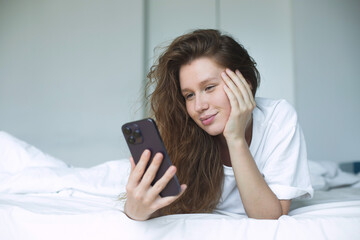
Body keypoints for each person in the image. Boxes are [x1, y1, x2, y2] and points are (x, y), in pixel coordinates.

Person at [123, 29, 313, 221]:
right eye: (189, 95)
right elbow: (167, 205)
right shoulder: (183, 131)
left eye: (209, 88)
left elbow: (270, 218)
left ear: (244, 84)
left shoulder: (277, 117)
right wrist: (135, 210)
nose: (199, 106)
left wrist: (236, 138)